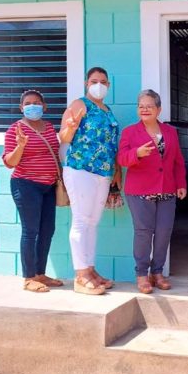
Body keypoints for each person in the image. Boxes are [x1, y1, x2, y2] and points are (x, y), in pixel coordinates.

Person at [117, 89, 187, 294]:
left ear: (159, 109)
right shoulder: (130, 132)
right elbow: (121, 159)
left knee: (164, 232)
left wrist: (181, 183)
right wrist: (136, 154)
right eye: (141, 106)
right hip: (139, 191)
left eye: (149, 106)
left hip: (167, 189)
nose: (144, 109)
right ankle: (141, 275)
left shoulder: (170, 132)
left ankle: (157, 273)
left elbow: (177, 161)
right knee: (144, 233)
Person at [59, 67, 121, 296]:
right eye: (94, 81)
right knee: (81, 220)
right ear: (87, 83)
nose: (99, 85)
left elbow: (111, 144)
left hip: (103, 173)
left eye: (103, 81)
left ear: (109, 85)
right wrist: (72, 127)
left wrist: (117, 170)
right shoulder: (79, 105)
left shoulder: (107, 110)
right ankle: (80, 274)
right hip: (80, 169)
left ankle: (91, 270)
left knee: (93, 221)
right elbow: (63, 137)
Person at [2, 90, 64, 293]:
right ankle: (29, 278)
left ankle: (40, 273)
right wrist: (20, 146)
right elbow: (9, 162)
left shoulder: (49, 127)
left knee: (48, 230)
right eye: (28, 103)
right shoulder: (15, 130)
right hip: (26, 185)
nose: (32, 106)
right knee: (31, 231)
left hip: (48, 186)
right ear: (21, 108)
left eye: (37, 102)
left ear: (44, 106)